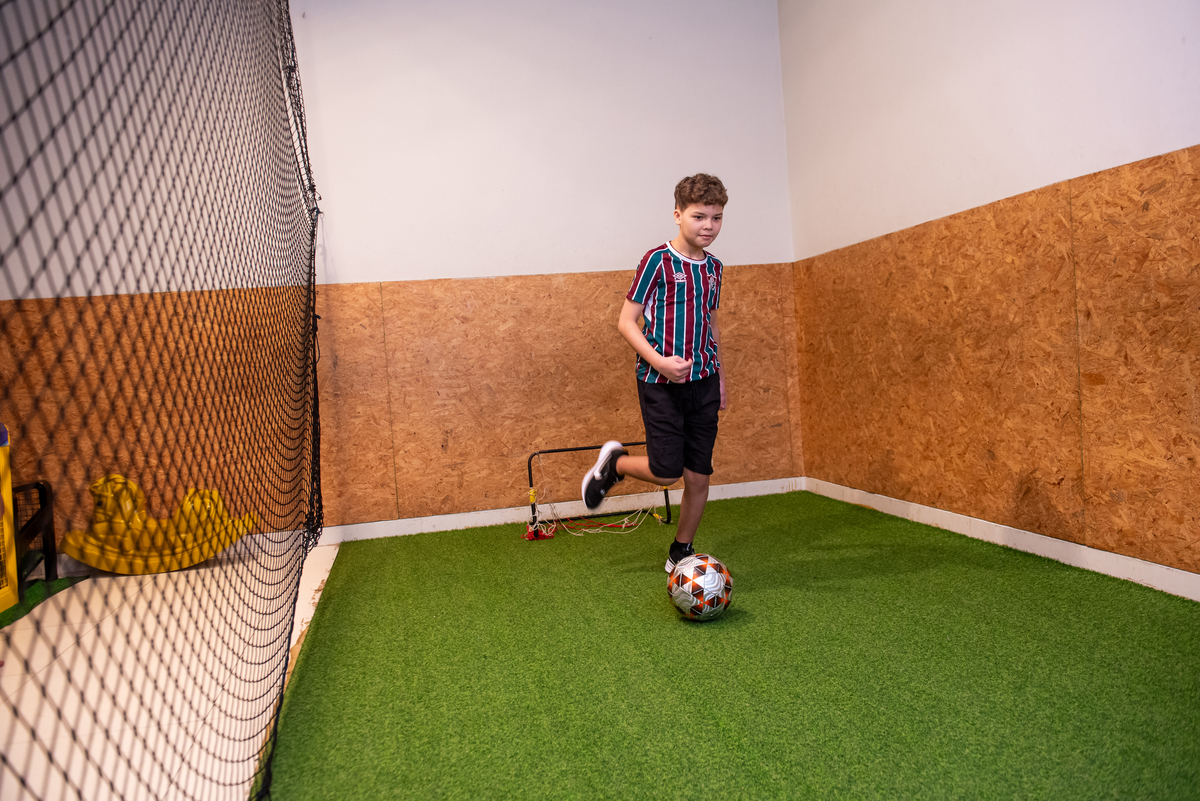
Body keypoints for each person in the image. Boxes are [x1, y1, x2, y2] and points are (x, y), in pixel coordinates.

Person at [581, 173, 728, 573]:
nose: (709, 226)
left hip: (704, 384)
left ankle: (681, 549)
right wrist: (660, 362)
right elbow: (626, 322)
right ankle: (615, 464)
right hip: (660, 384)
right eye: (699, 216)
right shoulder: (657, 261)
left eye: (716, 218)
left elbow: (712, 326)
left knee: (698, 476)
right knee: (666, 472)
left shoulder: (714, 268)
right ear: (678, 215)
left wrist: (721, 378)